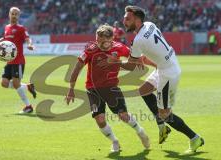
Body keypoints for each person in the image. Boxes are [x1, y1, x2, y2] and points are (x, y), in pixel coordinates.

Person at [103, 5, 204, 154]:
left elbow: (131, 66)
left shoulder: (138, 40)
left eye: (128, 19)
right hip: (167, 65)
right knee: (144, 90)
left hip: (167, 74)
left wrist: (114, 63)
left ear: (137, 20)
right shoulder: (150, 25)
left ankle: (195, 138)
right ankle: (162, 126)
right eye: (124, 19)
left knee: (165, 114)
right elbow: (145, 56)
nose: (124, 22)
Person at [65, 24, 150, 152]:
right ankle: (114, 141)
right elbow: (77, 68)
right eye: (97, 40)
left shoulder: (119, 47)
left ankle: (140, 132)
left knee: (123, 116)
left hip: (111, 88)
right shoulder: (90, 50)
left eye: (101, 41)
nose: (98, 43)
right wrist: (71, 89)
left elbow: (132, 63)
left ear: (110, 40)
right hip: (93, 89)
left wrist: (134, 60)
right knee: (99, 120)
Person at [0, 7, 36, 113]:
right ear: (9, 15)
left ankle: (28, 106)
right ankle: (27, 86)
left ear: (19, 16)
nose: (14, 16)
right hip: (9, 62)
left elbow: (28, 38)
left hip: (18, 61)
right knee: (4, 83)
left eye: (16, 14)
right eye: (12, 13)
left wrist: (29, 44)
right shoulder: (7, 27)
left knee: (15, 84)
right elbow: (4, 39)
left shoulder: (21, 28)